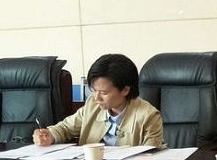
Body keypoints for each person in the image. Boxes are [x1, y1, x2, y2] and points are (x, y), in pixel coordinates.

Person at [33, 54, 163, 147]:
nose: (96, 97)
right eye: (94, 90)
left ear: (125, 90)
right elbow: (66, 128)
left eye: (103, 93)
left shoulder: (149, 116)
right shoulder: (92, 104)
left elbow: (150, 158)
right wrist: (49, 135)